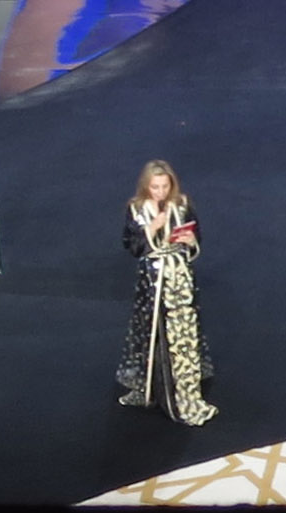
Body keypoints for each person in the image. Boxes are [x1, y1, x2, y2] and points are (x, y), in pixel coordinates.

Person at [116, 159, 218, 425]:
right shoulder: (137, 209)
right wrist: (151, 229)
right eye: (155, 187)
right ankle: (155, 384)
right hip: (153, 281)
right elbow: (132, 246)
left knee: (183, 333)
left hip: (180, 279)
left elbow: (196, 237)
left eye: (164, 186)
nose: (160, 192)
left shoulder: (182, 205)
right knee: (154, 332)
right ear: (146, 187)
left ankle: (183, 385)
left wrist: (189, 241)